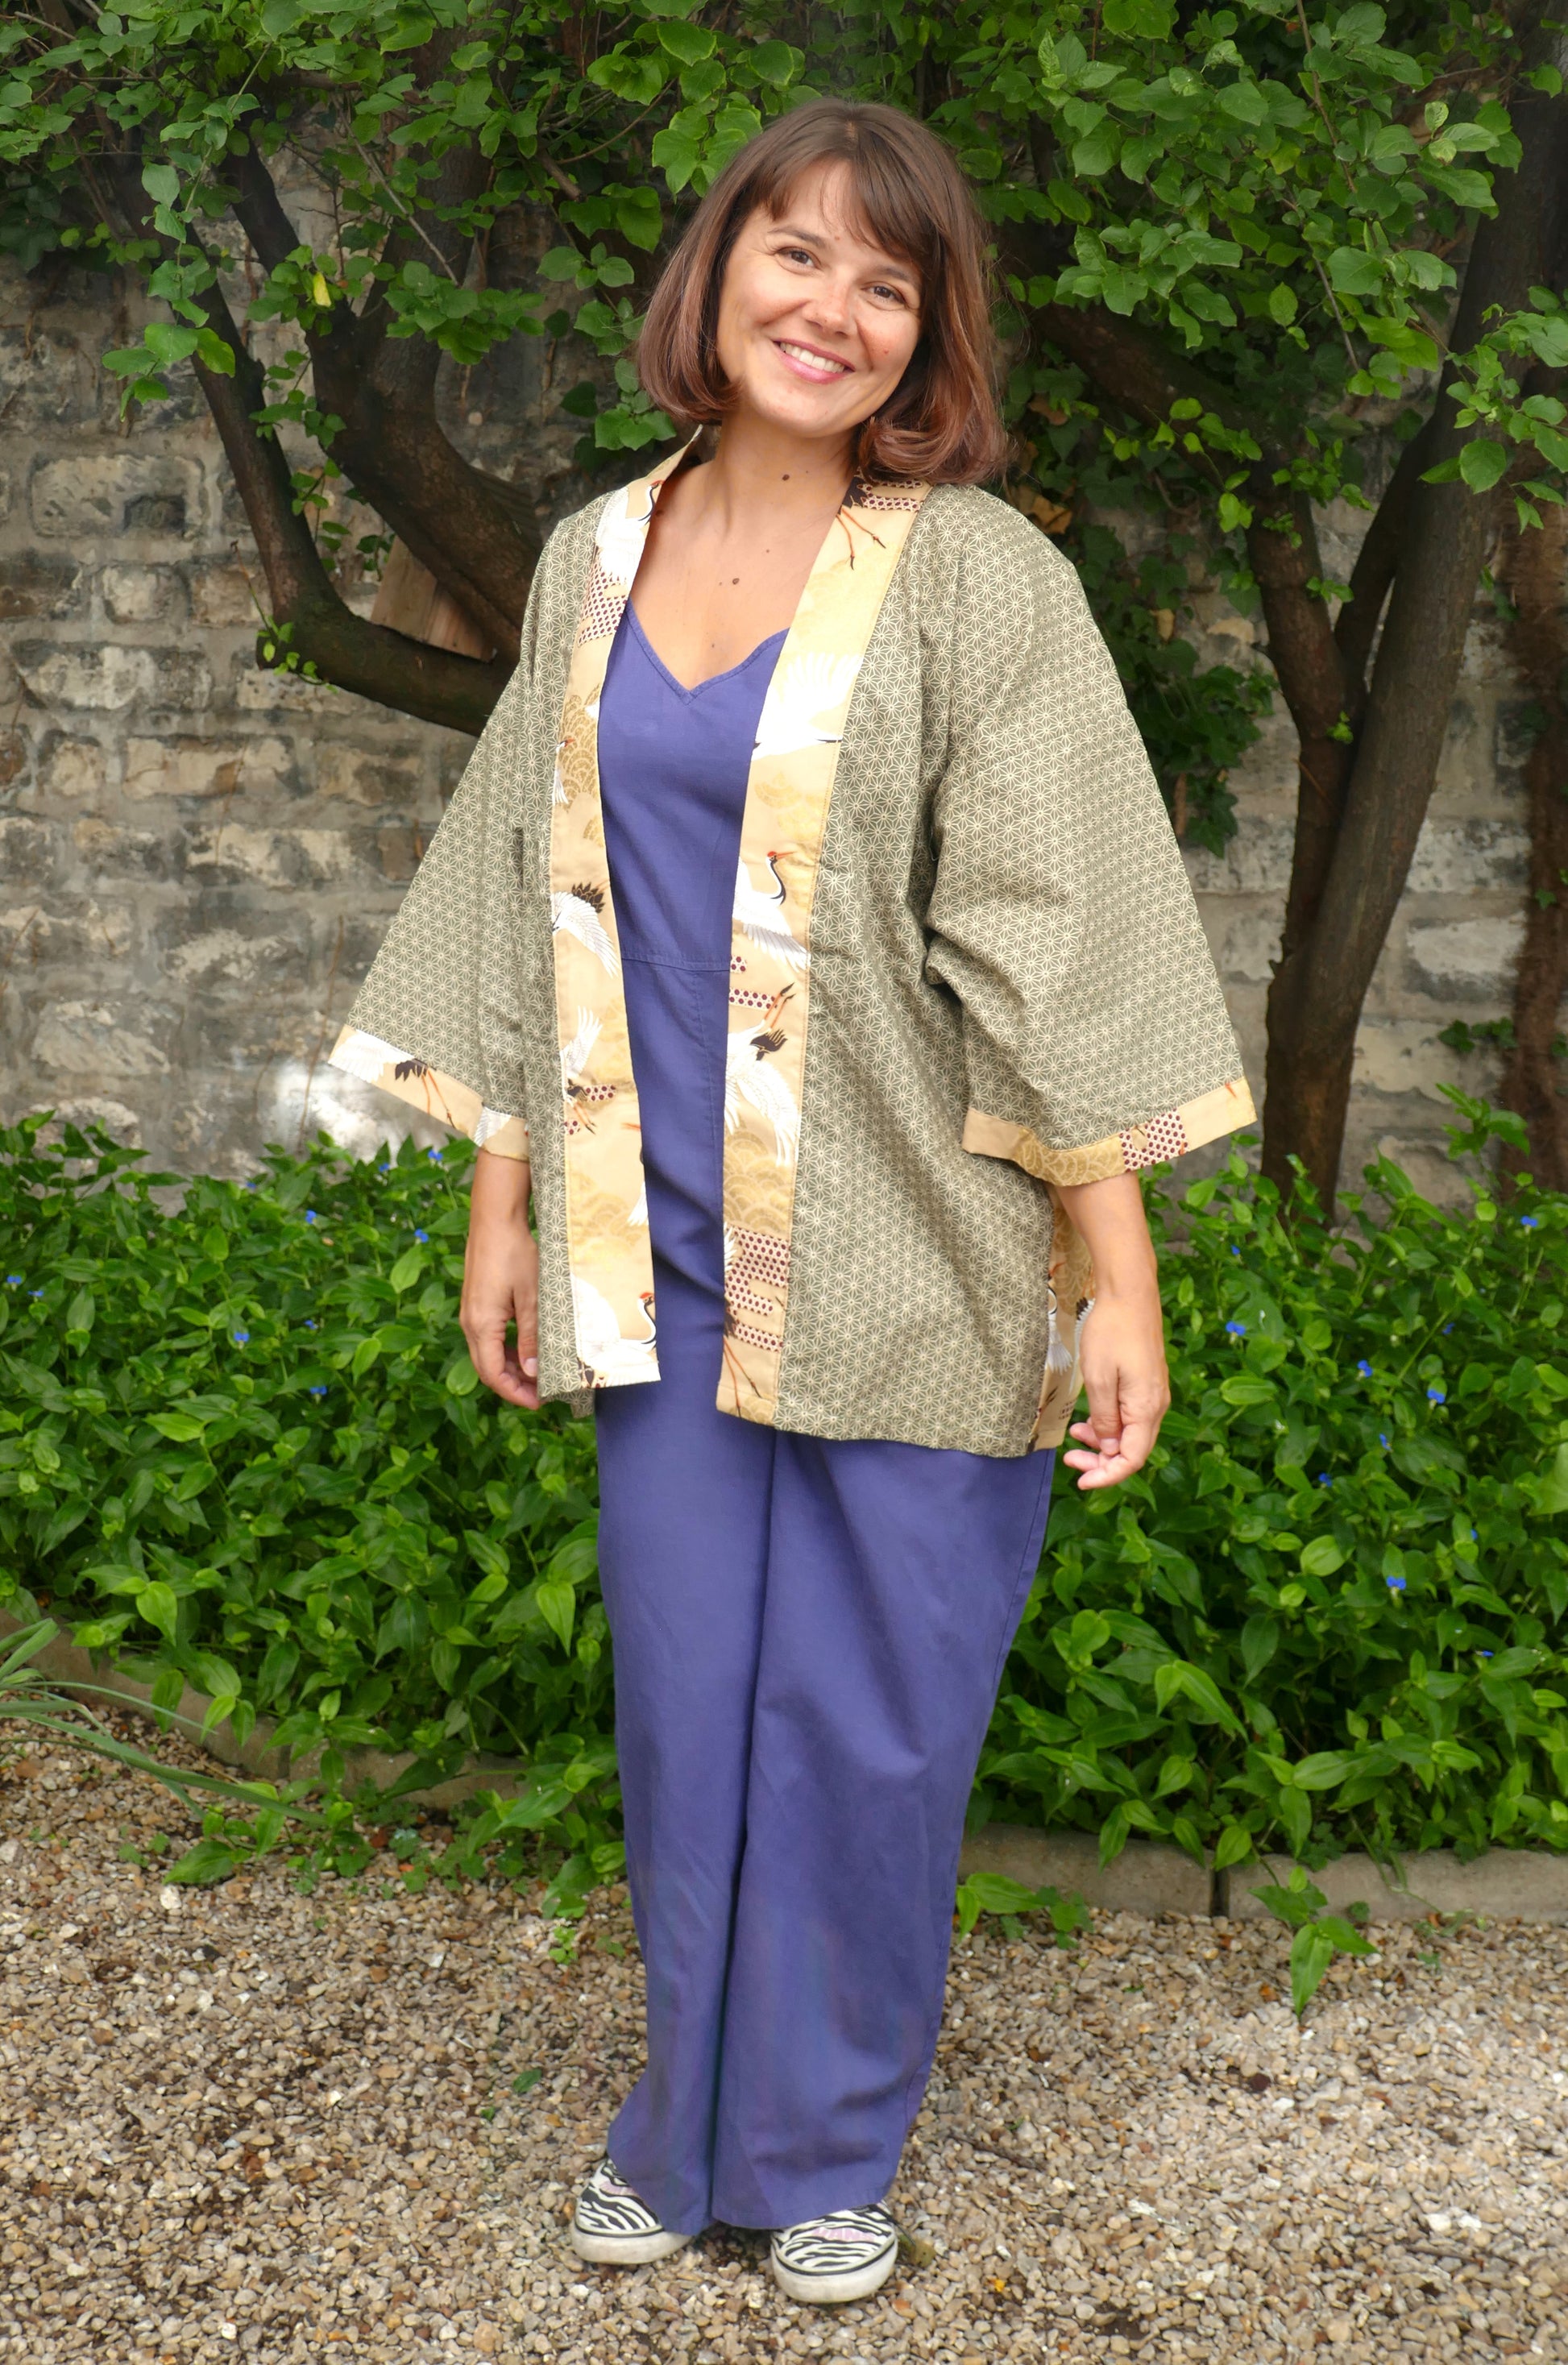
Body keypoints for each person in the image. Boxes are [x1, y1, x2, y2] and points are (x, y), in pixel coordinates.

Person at [330, 98, 1254, 2309]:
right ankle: (683, 2129)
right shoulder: (586, 559)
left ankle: (823, 2144)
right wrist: (495, 1206)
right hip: (652, 1260)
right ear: (712, 274)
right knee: (693, 1704)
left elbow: (1056, 933)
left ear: (924, 331)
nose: (830, 308)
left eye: (885, 278)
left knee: (868, 1723)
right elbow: (509, 890)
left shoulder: (977, 577)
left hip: (912, 1261)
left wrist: (1108, 1277)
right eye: (795, 255)